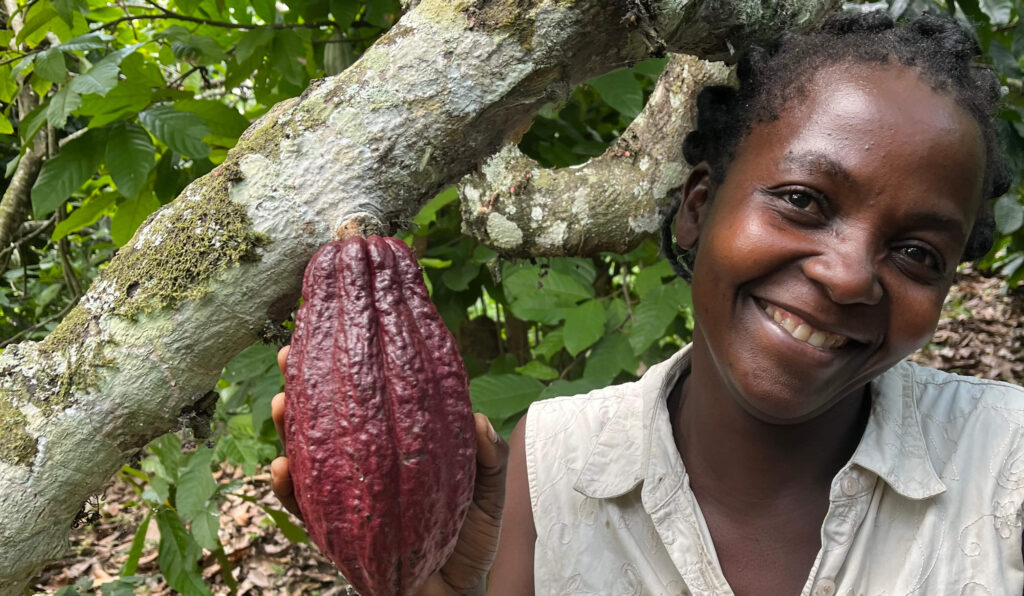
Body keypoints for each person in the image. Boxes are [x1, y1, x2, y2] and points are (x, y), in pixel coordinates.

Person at [270, 10, 1024, 595]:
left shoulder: (1008, 464)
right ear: (697, 207)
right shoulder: (552, 459)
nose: (851, 276)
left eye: (919, 254)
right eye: (801, 200)